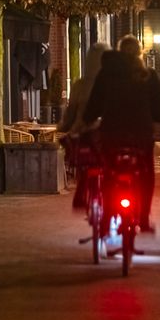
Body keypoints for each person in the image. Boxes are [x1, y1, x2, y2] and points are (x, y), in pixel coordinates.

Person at [83, 35, 160, 233]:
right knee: (146, 173)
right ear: (140, 53)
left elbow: (95, 104)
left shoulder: (106, 73)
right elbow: (159, 108)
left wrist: (88, 119)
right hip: (141, 136)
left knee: (108, 173)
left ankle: (105, 219)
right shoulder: (148, 74)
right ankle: (144, 220)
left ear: (119, 52)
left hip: (112, 135)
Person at [58, 43, 109, 212]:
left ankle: (81, 193)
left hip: (83, 134)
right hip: (107, 136)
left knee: (82, 161)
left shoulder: (79, 85)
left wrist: (64, 126)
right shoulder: (113, 83)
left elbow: (71, 111)